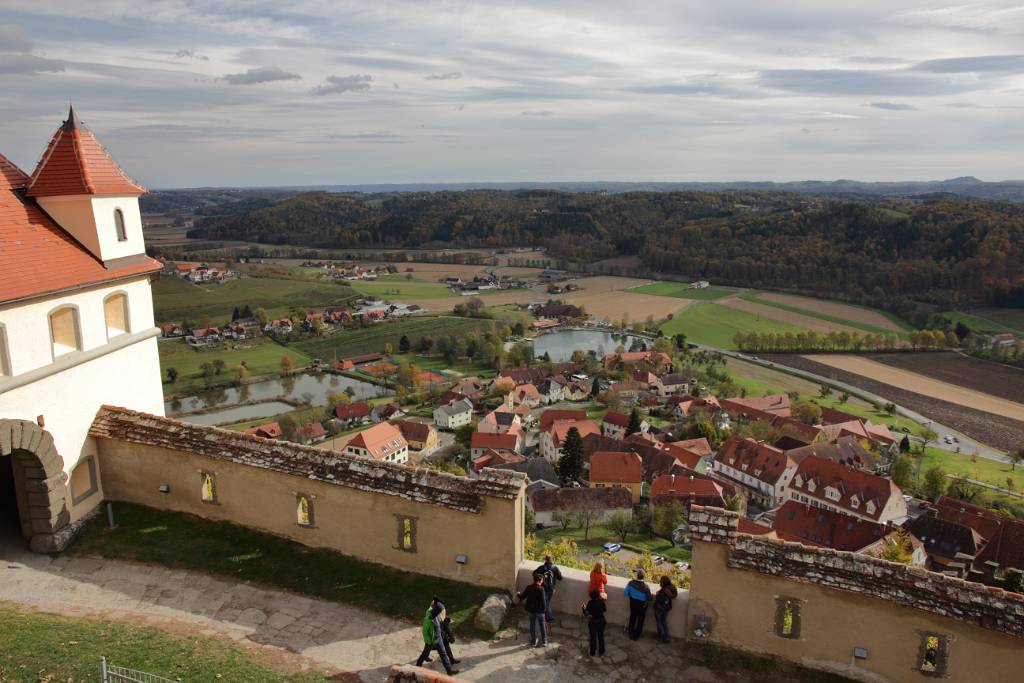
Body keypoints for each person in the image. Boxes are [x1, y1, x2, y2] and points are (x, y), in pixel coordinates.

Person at [416, 600, 459, 675]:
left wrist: (447, 620)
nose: (442, 611)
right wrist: (429, 641)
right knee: (425, 652)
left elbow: (441, 621)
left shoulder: (437, 615)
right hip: (431, 641)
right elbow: (425, 631)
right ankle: (418, 665)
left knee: (443, 654)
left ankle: (449, 671)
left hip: (439, 639)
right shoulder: (428, 619)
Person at [517, 571, 549, 647]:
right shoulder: (541, 589)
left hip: (531, 610)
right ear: (540, 580)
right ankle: (544, 641)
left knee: (532, 624)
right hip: (540, 611)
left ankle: (533, 641)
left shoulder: (529, 587)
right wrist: (544, 612)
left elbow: (522, 597)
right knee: (542, 625)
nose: (542, 581)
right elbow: (544, 603)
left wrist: (518, 594)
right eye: (542, 580)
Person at [624, 568, 652, 640]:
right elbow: (649, 598)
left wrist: (632, 594)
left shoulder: (631, 583)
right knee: (640, 620)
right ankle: (637, 635)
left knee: (632, 618)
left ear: (637, 576)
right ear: (644, 577)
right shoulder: (646, 587)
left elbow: (625, 593)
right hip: (642, 605)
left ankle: (630, 633)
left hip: (633, 603)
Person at [535, 555, 563, 624]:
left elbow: (534, 573)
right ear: (551, 560)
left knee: (544, 602)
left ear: (545, 560)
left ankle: (543, 616)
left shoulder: (541, 568)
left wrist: (539, 581)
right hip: (551, 589)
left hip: (542, 588)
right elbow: (560, 578)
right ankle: (549, 618)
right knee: (547, 603)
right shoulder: (555, 568)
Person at [582, 589, 607, 657]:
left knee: (593, 637)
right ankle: (601, 652)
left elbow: (587, 614)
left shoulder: (590, 603)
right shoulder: (601, 602)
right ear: (598, 596)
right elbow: (604, 610)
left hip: (593, 622)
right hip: (601, 621)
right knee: (601, 636)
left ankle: (592, 652)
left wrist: (583, 608)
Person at [653, 575, 678, 643]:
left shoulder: (664, 590)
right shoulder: (672, 588)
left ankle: (662, 636)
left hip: (659, 608)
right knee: (664, 622)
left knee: (659, 622)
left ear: (662, 582)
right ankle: (666, 636)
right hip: (666, 608)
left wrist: (657, 594)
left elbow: (659, 600)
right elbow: (672, 596)